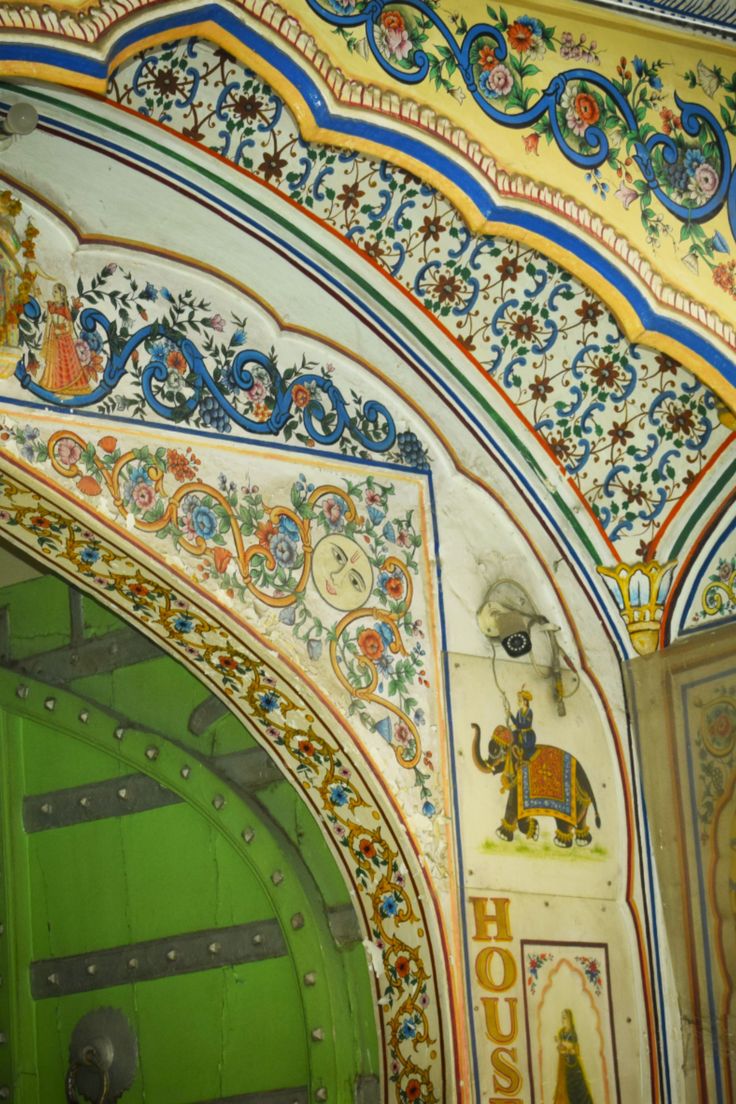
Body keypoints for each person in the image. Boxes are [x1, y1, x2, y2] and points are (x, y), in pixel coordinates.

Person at [37, 283, 92, 396]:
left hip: (64, 341)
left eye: (56, 292)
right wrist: (36, 287)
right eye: (53, 291)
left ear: (62, 294)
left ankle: (65, 388)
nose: (53, 294)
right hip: (53, 339)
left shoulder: (65, 310)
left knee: (66, 366)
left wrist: (60, 332)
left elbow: (70, 329)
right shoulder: (51, 306)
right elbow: (43, 303)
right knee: (54, 364)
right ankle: (55, 386)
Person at [553, 1008, 594, 1104]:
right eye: (562, 1018)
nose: (562, 1020)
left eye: (564, 1018)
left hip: (574, 1067)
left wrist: (561, 1043)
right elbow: (561, 1049)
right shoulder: (562, 1032)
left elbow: (572, 1048)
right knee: (566, 1089)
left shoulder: (572, 1033)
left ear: (569, 1019)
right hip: (565, 1067)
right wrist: (561, 1047)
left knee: (577, 1089)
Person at [509, 687, 536, 759]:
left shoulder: (529, 712)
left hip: (528, 736)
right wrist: (510, 715)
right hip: (520, 734)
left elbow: (526, 725)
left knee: (526, 755)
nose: (518, 702)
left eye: (520, 700)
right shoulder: (519, 712)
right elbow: (517, 722)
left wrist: (516, 725)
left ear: (525, 702)